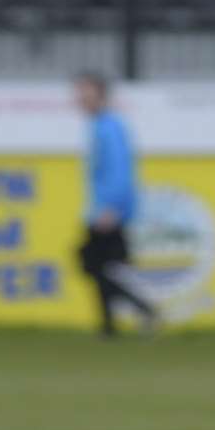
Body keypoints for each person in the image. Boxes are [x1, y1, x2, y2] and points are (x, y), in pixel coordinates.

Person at [74, 72, 158, 338]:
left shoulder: (110, 127)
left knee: (96, 266)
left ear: (101, 95)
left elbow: (120, 172)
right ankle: (109, 325)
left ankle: (142, 309)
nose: (80, 99)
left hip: (109, 212)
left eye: (86, 93)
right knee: (99, 268)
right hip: (101, 209)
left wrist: (111, 208)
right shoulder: (100, 125)